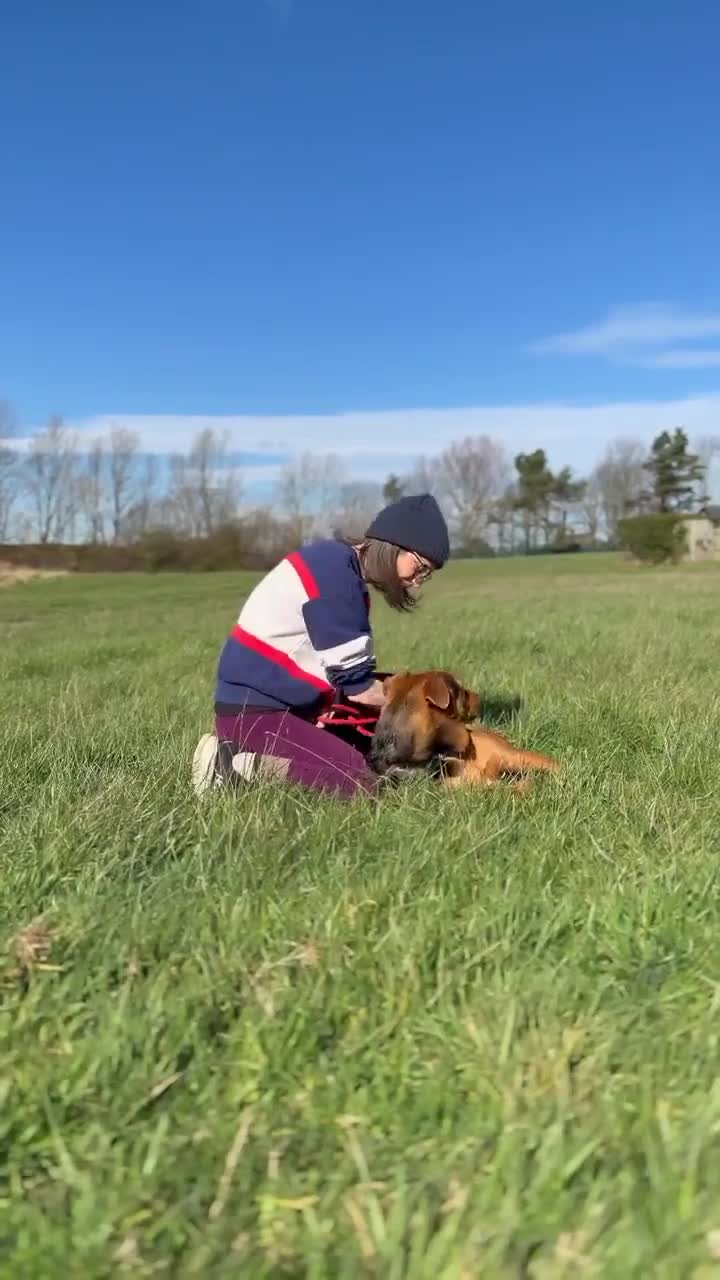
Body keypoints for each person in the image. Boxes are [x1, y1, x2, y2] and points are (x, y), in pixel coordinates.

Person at [191, 493, 450, 799]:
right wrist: (423, 707)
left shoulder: (335, 564)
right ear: (394, 545)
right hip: (256, 714)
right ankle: (230, 765)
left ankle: (249, 752)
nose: (417, 581)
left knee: (383, 757)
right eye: (420, 568)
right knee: (359, 782)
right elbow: (358, 689)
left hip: (279, 707)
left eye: (427, 575)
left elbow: (342, 674)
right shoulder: (336, 579)